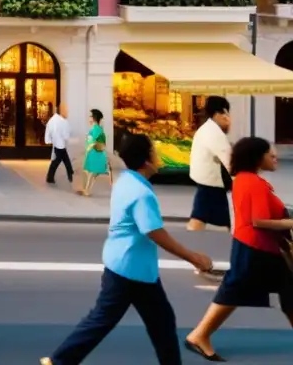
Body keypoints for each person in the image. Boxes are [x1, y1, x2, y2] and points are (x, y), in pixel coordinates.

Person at [40, 133, 213, 365]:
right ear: (147, 161)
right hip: (130, 270)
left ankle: (59, 361)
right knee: (114, 321)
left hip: (129, 266)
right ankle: (58, 361)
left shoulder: (127, 180)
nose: (157, 154)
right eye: (154, 150)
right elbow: (153, 231)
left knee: (157, 322)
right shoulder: (141, 193)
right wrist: (192, 257)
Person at [184, 137, 293, 361]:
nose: (274, 157)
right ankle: (199, 335)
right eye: (269, 153)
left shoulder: (247, 180)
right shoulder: (252, 182)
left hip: (258, 248)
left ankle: (199, 335)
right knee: (235, 291)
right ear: (256, 157)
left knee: (286, 292)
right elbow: (259, 221)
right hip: (256, 249)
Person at [189, 96, 233, 232]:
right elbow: (228, 158)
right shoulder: (213, 132)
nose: (228, 116)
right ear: (219, 113)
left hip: (208, 179)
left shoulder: (209, 128)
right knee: (200, 216)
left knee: (201, 215)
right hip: (211, 181)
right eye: (226, 113)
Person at [78, 109, 111, 197]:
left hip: (94, 153)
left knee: (92, 172)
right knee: (91, 172)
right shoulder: (96, 128)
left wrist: (88, 149)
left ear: (93, 118)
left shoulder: (96, 129)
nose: (89, 118)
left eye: (90, 117)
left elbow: (92, 141)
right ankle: (86, 189)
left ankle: (86, 190)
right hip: (94, 152)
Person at [45, 105, 73, 185]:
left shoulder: (53, 120)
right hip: (60, 144)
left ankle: (70, 173)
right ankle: (50, 177)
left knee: (64, 159)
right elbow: (66, 135)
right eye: (66, 111)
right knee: (57, 161)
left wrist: (49, 140)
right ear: (62, 111)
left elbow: (48, 131)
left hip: (57, 143)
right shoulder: (62, 122)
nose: (67, 113)